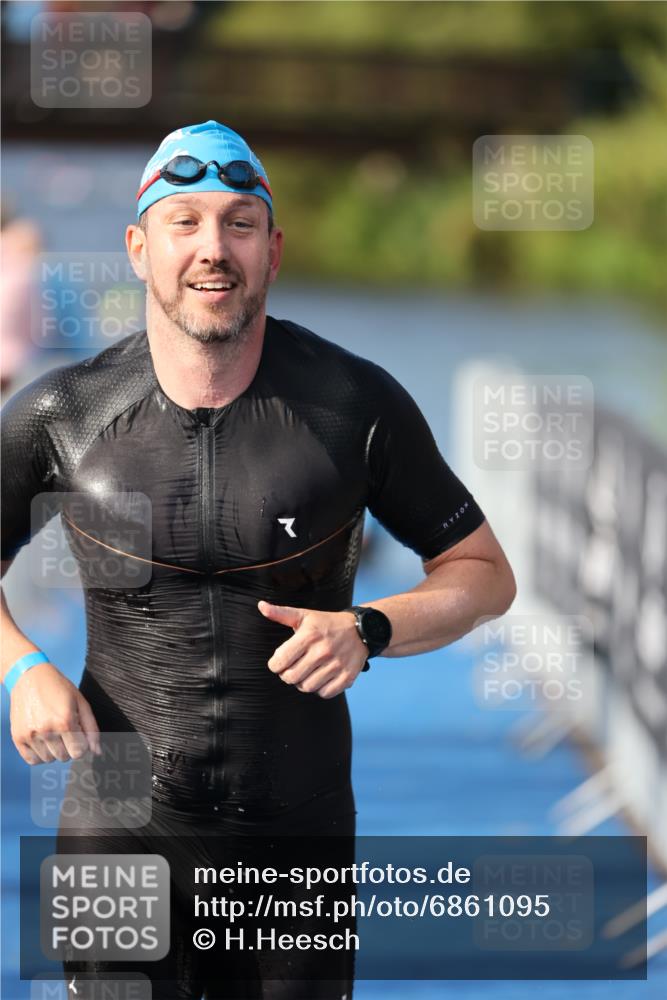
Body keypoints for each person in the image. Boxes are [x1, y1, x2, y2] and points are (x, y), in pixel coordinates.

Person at [1, 121, 516, 998]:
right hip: (116, 828)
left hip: (294, 839)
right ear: (138, 248)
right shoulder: (63, 412)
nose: (214, 250)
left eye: (239, 224)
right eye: (185, 222)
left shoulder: (353, 405)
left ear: (273, 250)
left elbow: (482, 573)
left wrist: (371, 627)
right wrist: (19, 670)